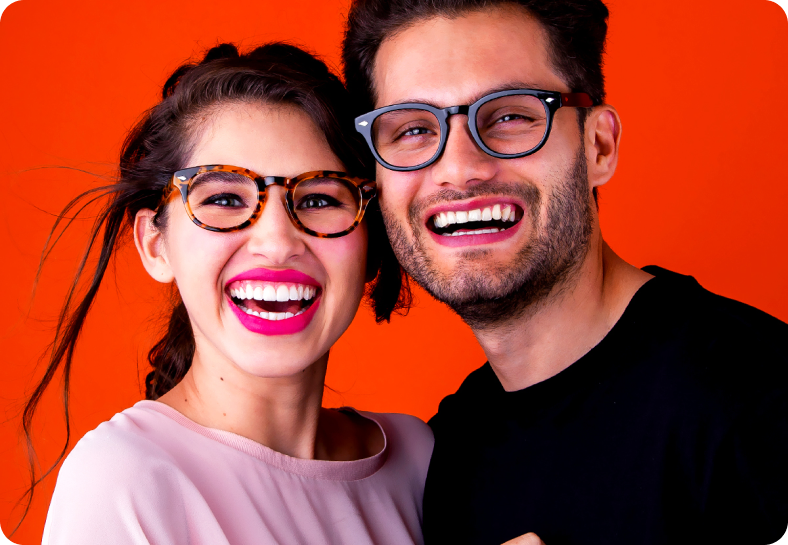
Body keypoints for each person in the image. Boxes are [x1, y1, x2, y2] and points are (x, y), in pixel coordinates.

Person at [342, 1, 788, 544]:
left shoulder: (760, 400)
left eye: (509, 116)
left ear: (599, 145)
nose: (458, 168)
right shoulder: (449, 450)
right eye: (413, 129)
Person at [21, 42, 433, 544]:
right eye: (223, 198)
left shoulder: (420, 458)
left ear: (370, 243)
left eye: (320, 199)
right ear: (155, 244)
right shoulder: (121, 481)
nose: (277, 243)